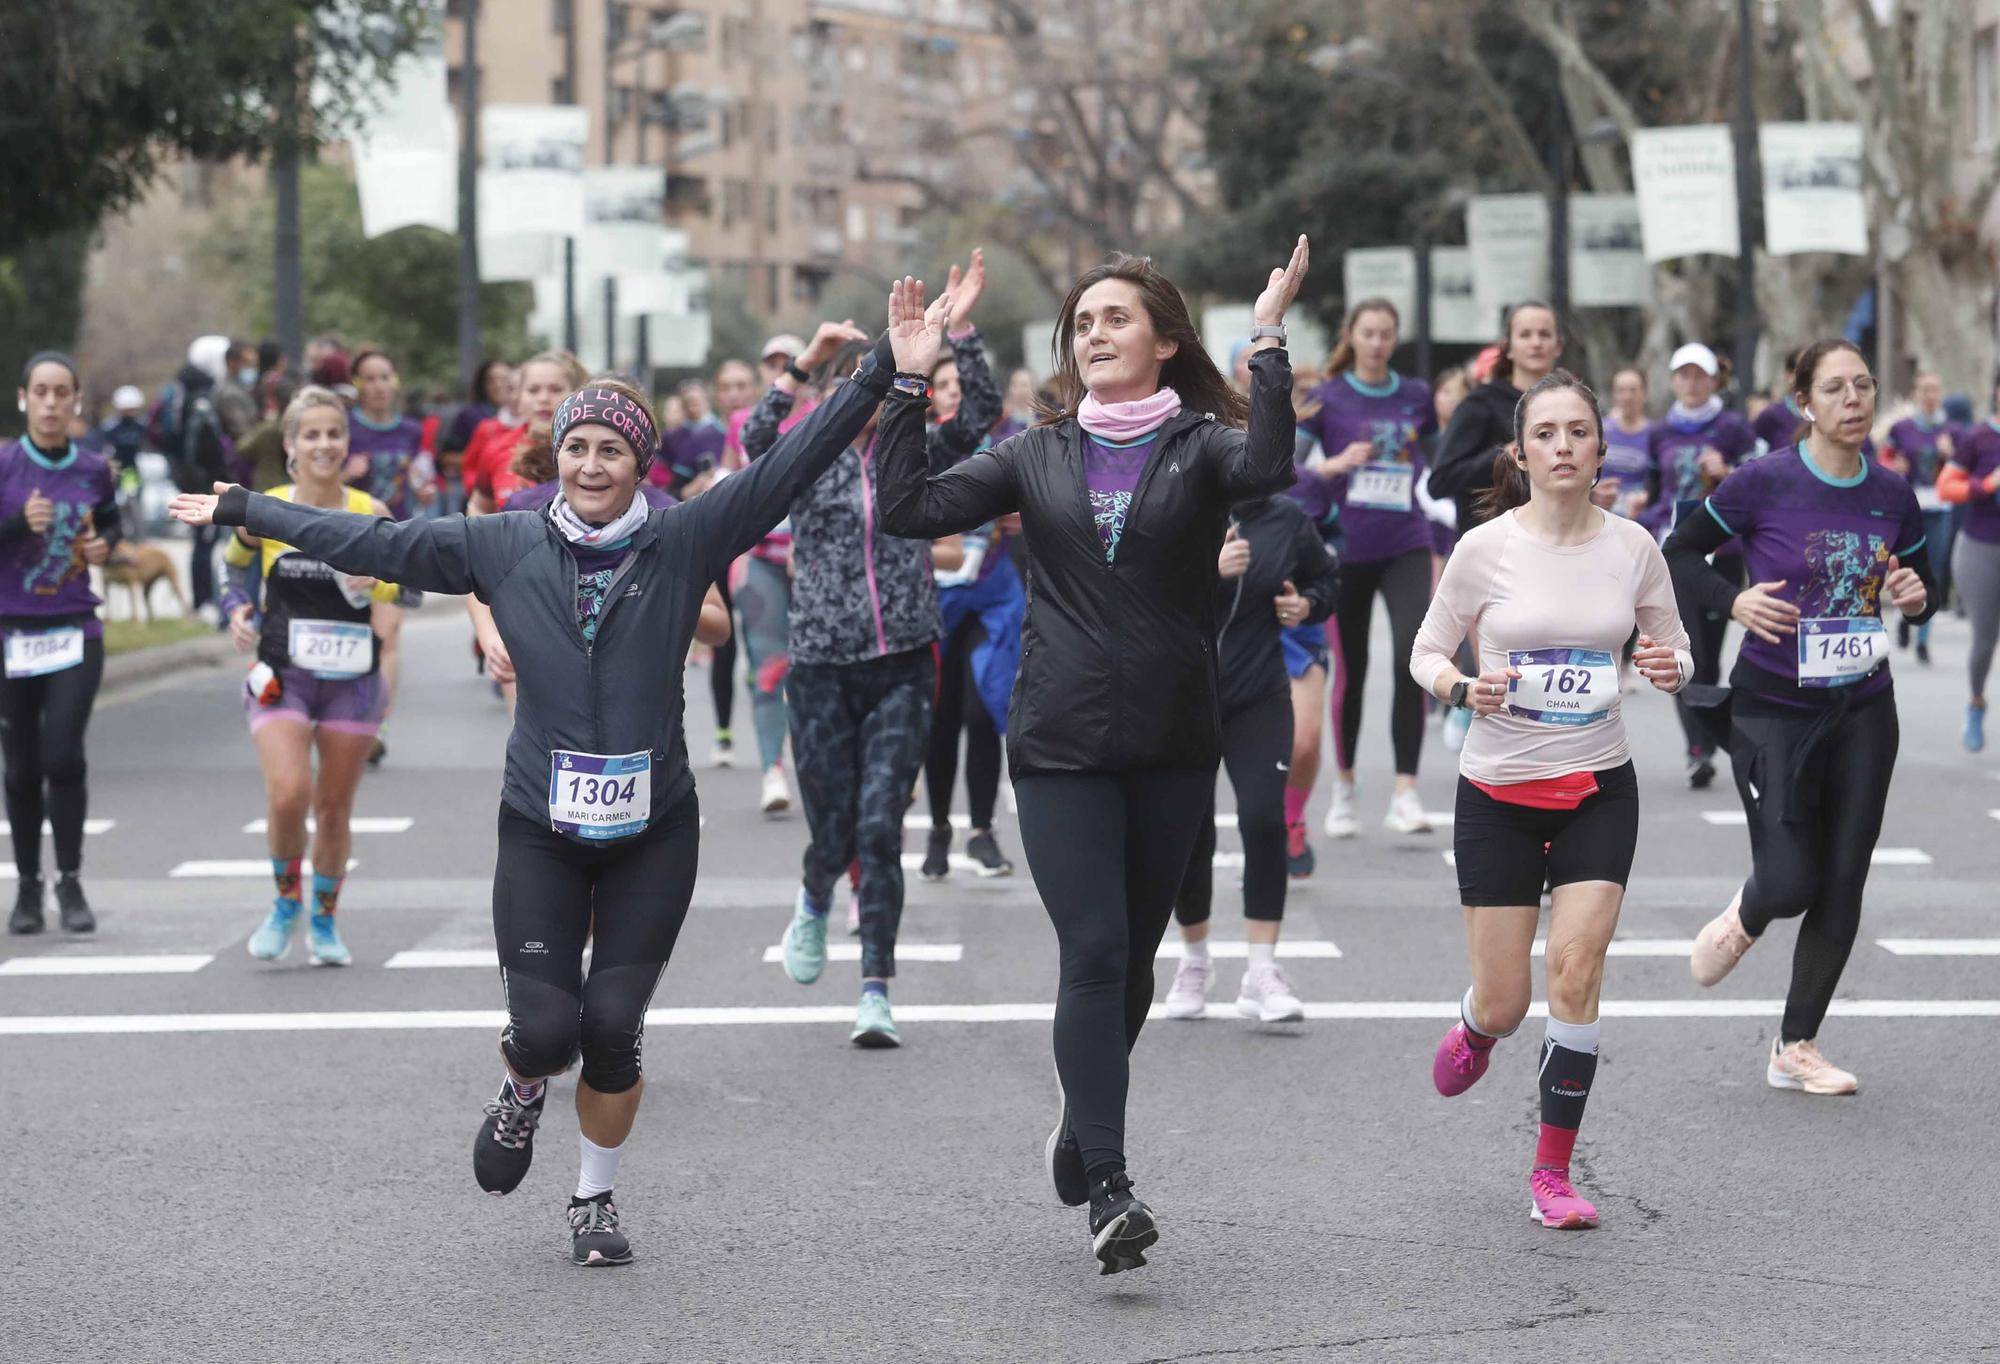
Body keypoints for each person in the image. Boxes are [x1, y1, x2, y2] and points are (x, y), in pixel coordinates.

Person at [170, 279, 949, 1269]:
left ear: (639, 465)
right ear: (561, 457)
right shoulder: (505, 542)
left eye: (611, 449)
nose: (588, 462)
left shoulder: (684, 537)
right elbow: (378, 538)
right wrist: (250, 507)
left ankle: (593, 1195)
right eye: (577, 445)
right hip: (538, 825)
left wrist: (886, 364)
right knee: (544, 1029)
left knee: (614, 1028)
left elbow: (794, 462)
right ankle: (524, 1083)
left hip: (652, 830)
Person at [874, 236, 1311, 1275]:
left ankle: (1083, 1117)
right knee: (1095, 951)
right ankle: (1110, 1185)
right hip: (1061, 738)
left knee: (1134, 966)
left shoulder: (1203, 443)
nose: (1095, 334)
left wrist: (1266, 336)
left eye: (1116, 319)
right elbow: (907, 508)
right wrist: (904, 378)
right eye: (1083, 323)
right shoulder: (1037, 451)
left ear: (1163, 341)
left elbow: (1271, 463)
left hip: (1169, 737)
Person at [1412, 370, 1692, 1230]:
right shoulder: (1484, 549)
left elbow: (1673, 647)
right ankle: (1479, 1027)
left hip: (1598, 787)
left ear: (1601, 449)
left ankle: (1552, 1174)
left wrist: (1666, 667)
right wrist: (1464, 689)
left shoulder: (1634, 547)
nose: (1563, 447)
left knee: (1575, 971)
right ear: (1522, 451)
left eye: (1579, 433)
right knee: (1506, 999)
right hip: (1498, 791)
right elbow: (1426, 652)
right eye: (1547, 434)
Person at [1672, 340, 1935, 1097]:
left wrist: (1917, 597)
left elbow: (1924, 585)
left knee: (1845, 877)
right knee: (1790, 881)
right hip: (1773, 709)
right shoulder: (1764, 482)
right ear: (1805, 404)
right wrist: (1735, 600)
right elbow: (1679, 552)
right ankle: (1747, 913)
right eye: (1836, 388)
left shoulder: (1892, 494)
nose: (1854, 399)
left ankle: (1796, 1044)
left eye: (1864, 385)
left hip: (1862, 708)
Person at [764, 282, 992, 1043]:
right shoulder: (804, 459)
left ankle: (874, 988)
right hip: (823, 663)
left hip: (902, 658)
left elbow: (982, 414)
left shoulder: (913, 449)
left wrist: (961, 332)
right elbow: (754, 442)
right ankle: (814, 897)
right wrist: (806, 362)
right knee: (832, 832)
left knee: (879, 825)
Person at [219, 387, 402, 967]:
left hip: (352, 679)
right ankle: (284, 903)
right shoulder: (268, 506)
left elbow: (398, 593)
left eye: (334, 433)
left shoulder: (370, 513)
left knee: (333, 807)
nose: (325, 445)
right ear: (291, 446)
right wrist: (235, 610)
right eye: (312, 435)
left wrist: (370, 587)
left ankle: (324, 921)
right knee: (289, 793)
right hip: (283, 674)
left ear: (346, 443)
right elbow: (232, 566)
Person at [1164, 494, 1337, 1020]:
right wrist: (1206, 569)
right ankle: (1194, 961)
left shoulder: (1286, 518)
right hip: (1183, 694)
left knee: (1264, 819)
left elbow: (1326, 581)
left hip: (1258, 693)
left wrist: (1305, 605)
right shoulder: (1176, 503)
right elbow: (1135, 589)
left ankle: (1262, 968)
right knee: (1189, 833)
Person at [1304, 298, 1437, 839]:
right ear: (1352, 337)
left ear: (1395, 338)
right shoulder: (1328, 398)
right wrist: (1332, 465)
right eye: (1369, 333)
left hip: (1406, 540)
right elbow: (1287, 463)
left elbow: (1440, 459)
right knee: (1351, 669)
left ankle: (1405, 790)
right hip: (1347, 545)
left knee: (1412, 654)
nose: (1378, 342)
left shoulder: (1416, 396)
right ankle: (1345, 785)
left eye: (1387, 333)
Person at [1, 352, 120, 935]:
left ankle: (70, 882)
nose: (51, 403)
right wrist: (18, 523)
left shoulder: (94, 468)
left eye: (62, 393)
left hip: (75, 629)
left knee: (62, 756)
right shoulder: (4, 466)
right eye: (41, 392)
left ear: (75, 401)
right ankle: (28, 889)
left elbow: (110, 521)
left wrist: (104, 547)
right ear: (24, 398)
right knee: (22, 767)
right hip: (12, 633)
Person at [1633, 343, 1759, 789]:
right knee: (1687, 651)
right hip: (1677, 553)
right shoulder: (1661, 432)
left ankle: (1707, 733)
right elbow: (1653, 488)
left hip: (1722, 552)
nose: (1691, 383)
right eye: (1683, 375)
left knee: (1710, 657)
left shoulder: (1733, 428)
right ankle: (1698, 749)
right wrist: (1641, 508)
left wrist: (1727, 472)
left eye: (1699, 375)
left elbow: (1756, 480)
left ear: (1713, 380)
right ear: (1672, 381)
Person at [464, 351, 587, 699]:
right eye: (533, 389)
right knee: (529, 739)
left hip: (583, 611)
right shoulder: (497, 450)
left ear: (576, 392)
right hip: (519, 611)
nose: (544, 398)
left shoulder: (594, 450)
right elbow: (476, 541)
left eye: (555, 388)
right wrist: (490, 637)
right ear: (518, 396)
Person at [346, 350, 434, 767]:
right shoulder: (343, 428)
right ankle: (340, 718)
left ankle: (376, 727)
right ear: (358, 384)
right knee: (351, 636)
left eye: (385, 377)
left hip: (395, 544)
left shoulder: (412, 431)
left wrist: (424, 490)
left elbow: (420, 478)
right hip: (347, 544)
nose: (379, 386)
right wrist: (346, 472)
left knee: (387, 635)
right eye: (370, 378)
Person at [1429, 301, 1563, 535]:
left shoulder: (1569, 404)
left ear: (1558, 345)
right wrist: (1503, 456)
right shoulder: (1480, 403)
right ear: (1508, 347)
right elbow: (1440, 482)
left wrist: (1592, 494)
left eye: (1544, 334)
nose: (1536, 342)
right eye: (1525, 334)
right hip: (1492, 545)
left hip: (1555, 539)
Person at [1937, 380, 2000, 751]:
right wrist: (1987, 485)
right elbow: (1947, 487)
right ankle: (1976, 703)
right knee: (1985, 638)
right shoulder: (1978, 437)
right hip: (1982, 548)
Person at [1882, 371, 1957, 666]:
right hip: (1908, 506)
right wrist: (1894, 464)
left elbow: (1964, 466)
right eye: (1924, 390)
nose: (1930, 395)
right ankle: (1906, 616)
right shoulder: (1902, 428)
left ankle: (1923, 639)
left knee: (1933, 570)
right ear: (1915, 393)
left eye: (1935, 390)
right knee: (1904, 565)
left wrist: (1949, 456)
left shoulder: (1952, 430)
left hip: (1940, 506)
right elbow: (1883, 459)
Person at [438, 361, 517, 518]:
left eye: (505, 380)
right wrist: (490, 464)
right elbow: (448, 458)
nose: (499, 385)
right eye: (492, 380)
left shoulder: (530, 421)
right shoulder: (476, 420)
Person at [1601, 366, 1652, 519]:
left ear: (1645, 393)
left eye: (1633, 390)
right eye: (1621, 390)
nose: (1627, 397)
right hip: (1600, 515)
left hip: (1638, 518)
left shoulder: (1655, 435)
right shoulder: (1599, 431)